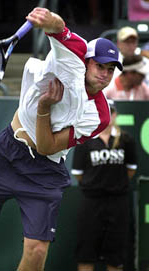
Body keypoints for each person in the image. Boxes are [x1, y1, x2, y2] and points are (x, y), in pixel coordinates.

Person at [0, 7, 122, 271]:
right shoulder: (73, 55)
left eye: (111, 70)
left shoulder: (100, 115)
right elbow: (59, 27)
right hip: (7, 151)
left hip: (45, 169)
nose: (104, 74)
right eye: (100, 66)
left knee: (37, 250)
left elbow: (47, 146)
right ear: (86, 61)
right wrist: (47, 19)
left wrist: (44, 109)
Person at [71, 100, 137, 271]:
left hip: (118, 202)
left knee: (115, 255)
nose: (107, 115)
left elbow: (130, 170)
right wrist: (96, 184)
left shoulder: (126, 140)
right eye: (102, 111)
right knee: (86, 252)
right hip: (91, 202)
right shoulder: (85, 141)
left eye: (111, 111)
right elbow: (78, 174)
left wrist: (114, 184)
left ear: (115, 115)